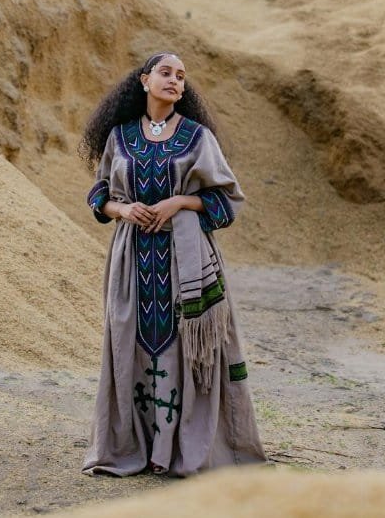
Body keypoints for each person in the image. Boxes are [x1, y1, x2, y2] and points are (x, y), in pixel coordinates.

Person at [79, 52, 267, 477]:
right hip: (131, 264)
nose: (175, 81)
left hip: (188, 262)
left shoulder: (198, 138)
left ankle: (185, 448)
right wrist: (122, 211)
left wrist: (179, 201)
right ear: (145, 80)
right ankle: (135, 447)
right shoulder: (120, 137)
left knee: (189, 350)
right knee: (133, 342)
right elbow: (98, 194)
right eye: (166, 73)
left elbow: (227, 201)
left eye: (181, 76)